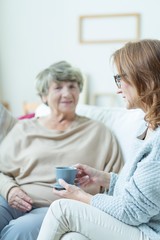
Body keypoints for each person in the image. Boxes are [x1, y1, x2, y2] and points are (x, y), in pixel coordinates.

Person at [37, 39, 160, 240]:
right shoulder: (147, 124)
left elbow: (131, 211)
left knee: (63, 209)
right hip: (140, 223)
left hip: (152, 232)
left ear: (144, 79)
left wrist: (80, 196)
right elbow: (142, 193)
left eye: (121, 79)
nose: (118, 89)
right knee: (73, 238)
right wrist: (104, 178)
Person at [0, 61, 123, 240]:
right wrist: (9, 190)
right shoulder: (23, 129)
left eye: (72, 86)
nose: (67, 93)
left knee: (20, 230)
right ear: (44, 96)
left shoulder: (99, 132)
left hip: (57, 208)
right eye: (58, 87)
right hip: (13, 199)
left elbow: (116, 179)